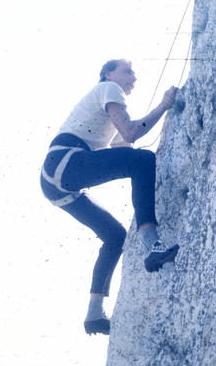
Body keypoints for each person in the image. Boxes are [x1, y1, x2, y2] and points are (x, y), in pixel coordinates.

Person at [40, 59, 180, 336]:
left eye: (134, 73)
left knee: (115, 237)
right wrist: (164, 106)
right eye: (127, 70)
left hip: (57, 183)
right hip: (66, 161)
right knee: (142, 161)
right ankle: (153, 245)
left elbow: (122, 143)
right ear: (108, 73)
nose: (133, 77)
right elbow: (131, 133)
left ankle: (94, 315)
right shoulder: (108, 88)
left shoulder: (104, 105)